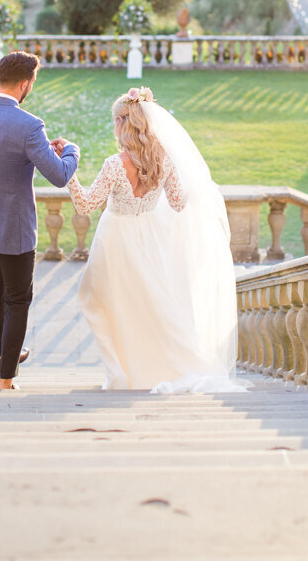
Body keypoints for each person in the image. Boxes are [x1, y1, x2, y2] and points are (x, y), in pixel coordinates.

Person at [65, 86, 249, 394]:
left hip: (115, 240)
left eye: (116, 121)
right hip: (148, 238)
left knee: (101, 300)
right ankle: (144, 370)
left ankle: (123, 375)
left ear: (123, 123)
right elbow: (178, 202)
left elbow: (85, 205)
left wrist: (69, 175)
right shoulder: (164, 160)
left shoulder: (115, 164)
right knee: (148, 304)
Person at [0, 51, 79, 391]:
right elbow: (60, 175)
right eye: (32, 83)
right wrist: (71, 150)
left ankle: (1, 353)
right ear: (24, 84)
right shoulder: (29, 126)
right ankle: (6, 378)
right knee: (17, 298)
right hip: (16, 232)